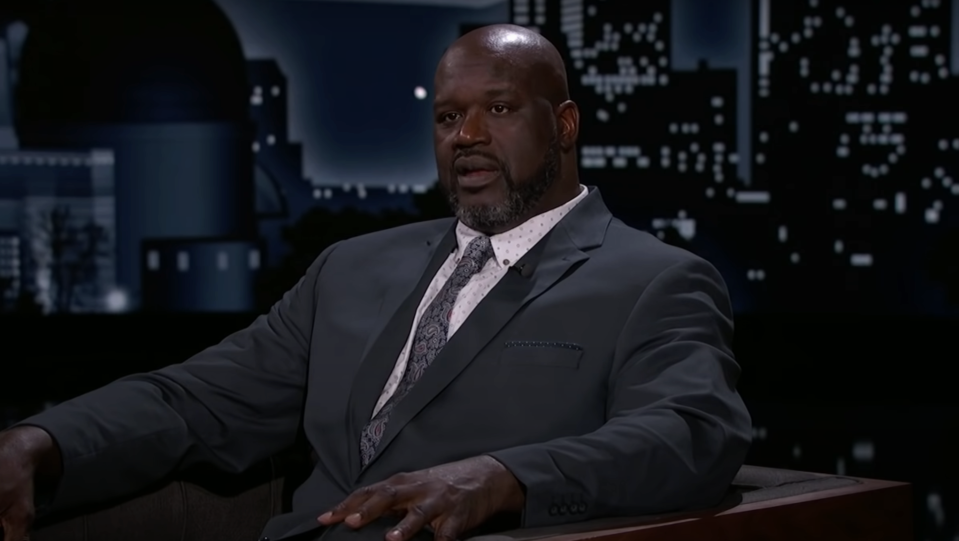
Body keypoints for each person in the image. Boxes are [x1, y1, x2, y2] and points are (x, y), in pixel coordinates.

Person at [0, 24, 751, 541]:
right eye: (448, 117)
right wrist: (41, 441)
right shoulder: (351, 267)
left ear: (563, 124)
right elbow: (198, 398)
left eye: (497, 109)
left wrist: (502, 477)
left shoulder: (655, 280)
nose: (466, 136)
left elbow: (689, 432)